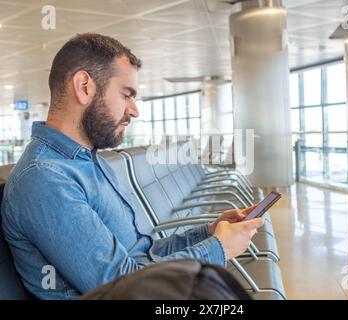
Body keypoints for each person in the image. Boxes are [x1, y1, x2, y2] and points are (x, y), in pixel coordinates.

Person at [1, 33, 264, 300]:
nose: (135, 110)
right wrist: (219, 248)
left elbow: (142, 255)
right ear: (84, 87)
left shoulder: (90, 162)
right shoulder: (46, 178)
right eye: (126, 95)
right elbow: (123, 287)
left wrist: (208, 233)